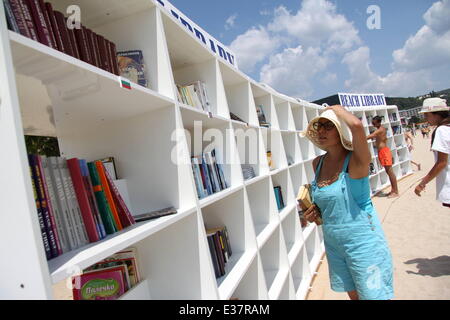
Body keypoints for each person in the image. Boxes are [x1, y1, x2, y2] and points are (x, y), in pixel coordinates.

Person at [300, 105, 394, 300]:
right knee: (354, 297)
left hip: (363, 243)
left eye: (329, 125)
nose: (322, 131)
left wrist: (338, 109)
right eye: (319, 126)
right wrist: (314, 211)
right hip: (334, 244)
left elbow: (357, 126)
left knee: (373, 297)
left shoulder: (356, 161)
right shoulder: (317, 163)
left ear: (341, 129)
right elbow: (329, 203)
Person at [414, 98, 450, 208]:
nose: (426, 118)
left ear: (436, 114)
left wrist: (422, 183)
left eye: (427, 115)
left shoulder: (441, 130)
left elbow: (441, 163)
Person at [367, 116, 399, 198]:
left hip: (384, 152)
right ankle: (393, 190)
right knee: (388, 172)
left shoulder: (380, 130)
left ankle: (395, 191)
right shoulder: (381, 129)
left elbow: (370, 136)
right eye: (372, 123)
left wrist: (358, 139)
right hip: (382, 151)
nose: (373, 124)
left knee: (390, 172)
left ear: (378, 122)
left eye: (374, 123)